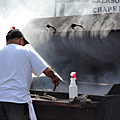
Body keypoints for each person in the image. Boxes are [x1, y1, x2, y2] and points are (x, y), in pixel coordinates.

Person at [0, 27, 60, 120]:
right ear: (21, 40)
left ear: (7, 41)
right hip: (17, 101)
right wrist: (54, 77)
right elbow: (48, 71)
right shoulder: (27, 52)